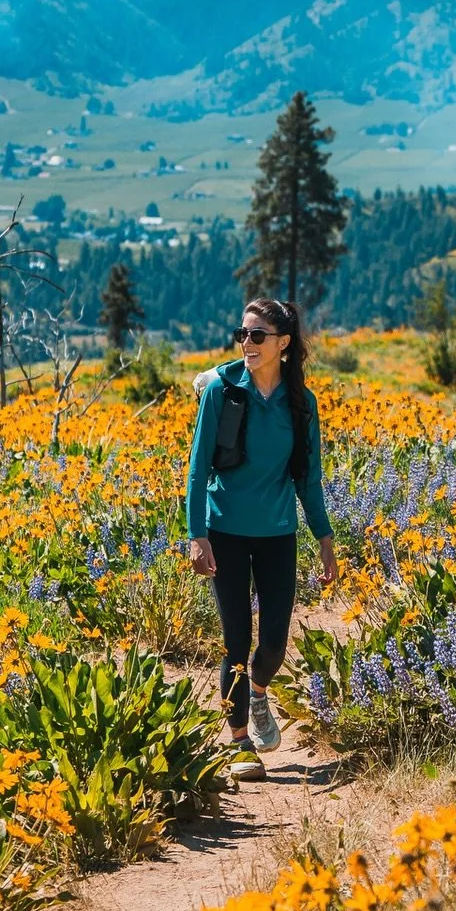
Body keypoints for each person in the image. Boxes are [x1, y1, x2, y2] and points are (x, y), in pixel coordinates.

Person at [186, 298, 338, 781]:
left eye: (257, 336)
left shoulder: (301, 404)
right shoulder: (221, 391)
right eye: (242, 335)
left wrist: (325, 539)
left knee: (272, 641)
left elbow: (308, 479)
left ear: (284, 344)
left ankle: (257, 692)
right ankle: (237, 741)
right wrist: (197, 535)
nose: (247, 344)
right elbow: (196, 470)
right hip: (225, 529)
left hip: (278, 531)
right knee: (236, 638)